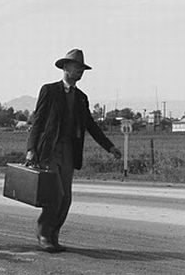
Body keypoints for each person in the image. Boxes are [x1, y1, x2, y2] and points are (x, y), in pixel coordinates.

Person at [25, 49, 121, 252]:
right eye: (77, 68)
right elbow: (38, 122)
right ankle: (43, 233)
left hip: (69, 152)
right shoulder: (49, 91)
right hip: (49, 151)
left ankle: (54, 235)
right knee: (55, 196)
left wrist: (110, 147)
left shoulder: (81, 98)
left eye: (82, 69)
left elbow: (91, 125)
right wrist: (31, 149)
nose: (80, 72)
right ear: (66, 68)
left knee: (66, 198)